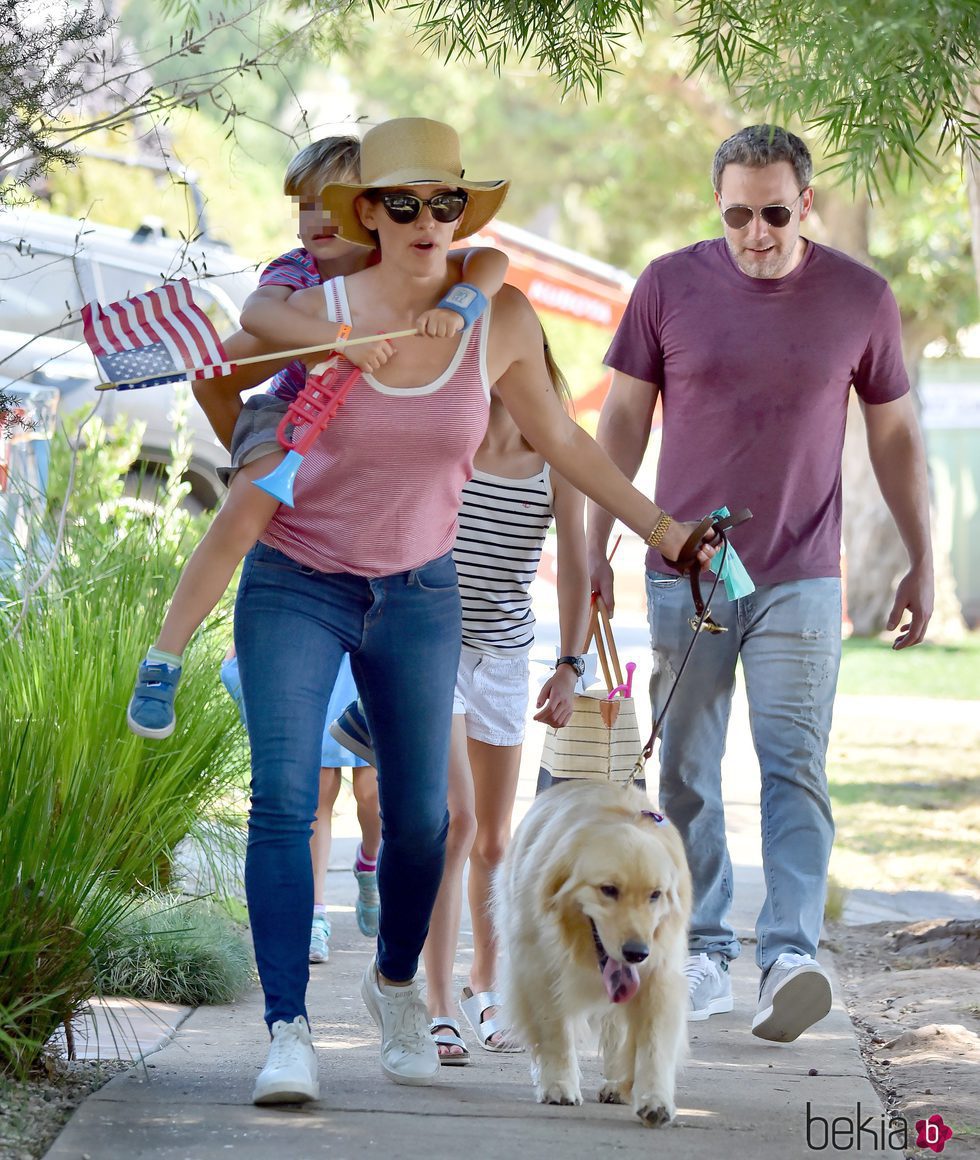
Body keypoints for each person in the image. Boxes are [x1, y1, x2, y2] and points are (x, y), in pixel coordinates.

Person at [193, 115, 715, 1107]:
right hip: (298, 576)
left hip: (420, 590)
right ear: (368, 217)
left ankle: (395, 983)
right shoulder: (309, 304)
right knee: (283, 797)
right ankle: (286, 1030)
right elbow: (231, 361)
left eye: (444, 203)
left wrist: (661, 525)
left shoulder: (498, 313)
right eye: (402, 204)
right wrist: (285, 411)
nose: (426, 220)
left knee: (424, 822)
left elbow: (564, 441)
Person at [587, 124, 934, 1045]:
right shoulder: (667, 283)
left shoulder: (862, 298)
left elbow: (895, 436)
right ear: (719, 207)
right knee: (689, 772)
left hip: (804, 576)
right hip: (685, 576)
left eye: (774, 212)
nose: (755, 232)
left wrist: (921, 555)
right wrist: (595, 543)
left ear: (805, 203)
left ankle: (788, 955)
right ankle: (699, 947)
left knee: (795, 769)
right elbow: (620, 423)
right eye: (737, 213)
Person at [125, 136, 508, 739]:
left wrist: (461, 306)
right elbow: (257, 315)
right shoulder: (296, 271)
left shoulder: (397, 262)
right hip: (290, 411)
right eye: (306, 206)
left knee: (411, 531)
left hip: (364, 431)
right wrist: (338, 341)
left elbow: (490, 262)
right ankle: (164, 657)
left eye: (334, 203)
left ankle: (374, 705)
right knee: (244, 514)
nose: (319, 220)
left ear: (370, 210)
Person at [332, 337, 591, 1064]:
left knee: (497, 840)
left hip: (507, 654)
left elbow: (574, 560)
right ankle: (435, 996)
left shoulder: (559, 450)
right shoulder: (458, 431)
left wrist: (570, 663)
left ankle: (486, 981)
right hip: (432, 644)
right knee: (455, 821)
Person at [221, 647, 382, 961]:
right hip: (323, 645)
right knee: (317, 784)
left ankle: (368, 863)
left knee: (371, 790)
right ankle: (314, 914)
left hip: (369, 639)